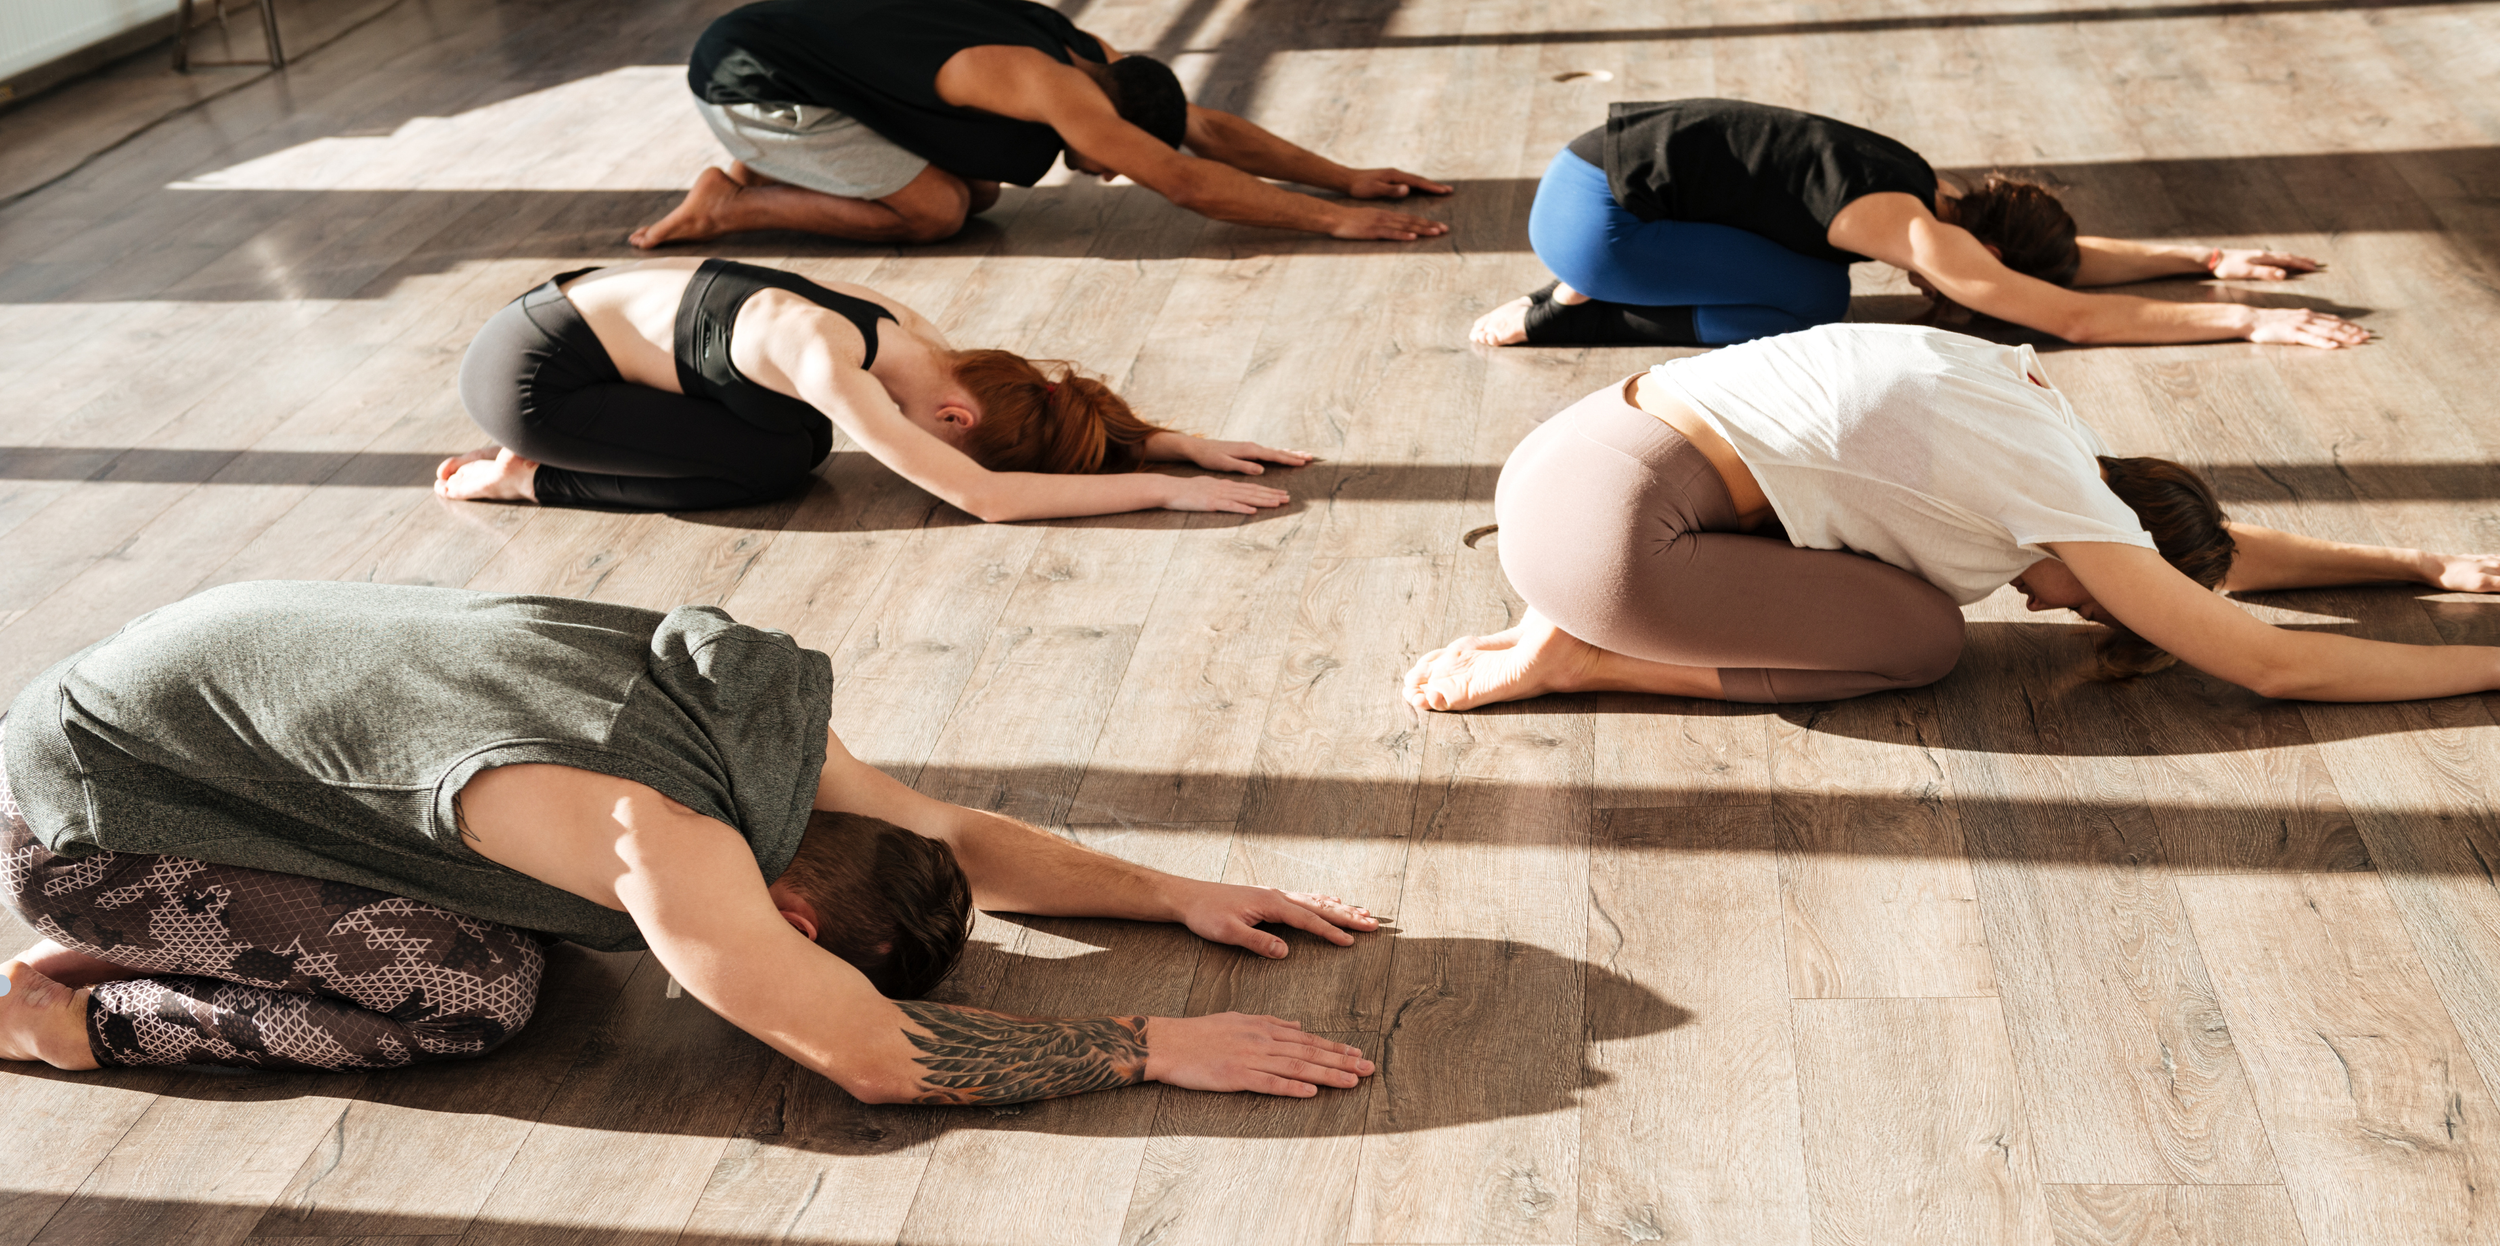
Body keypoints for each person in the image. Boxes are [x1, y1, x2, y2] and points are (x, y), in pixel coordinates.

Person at [1, 582, 1377, 1107]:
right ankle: (63, 1021)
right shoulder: (653, 833)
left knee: (530, 929)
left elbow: (948, 832)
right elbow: (870, 1053)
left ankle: (185, 917)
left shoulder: (755, 729)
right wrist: (1147, 1042)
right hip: (91, 803)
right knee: (479, 991)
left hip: (172, 689)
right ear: (798, 915)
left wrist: (1181, 893)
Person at [1405, 323, 2500, 713]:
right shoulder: (2061, 500)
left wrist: (2421, 564)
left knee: (1882, 574)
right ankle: (1586, 660)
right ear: (2124, 549)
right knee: (1924, 638)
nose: (2064, 612)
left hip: (1566, 460)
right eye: (2101, 606)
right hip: (1612, 539)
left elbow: (2202, 561)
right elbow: (2275, 666)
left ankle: (1571, 622)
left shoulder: (2036, 417)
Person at [1469, 98, 2367, 352]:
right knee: (1812, 302)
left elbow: (2043, 272)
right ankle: (1573, 310)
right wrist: (2248, 318)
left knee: (1814, 275)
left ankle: (1597, 282)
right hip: (1599, 225)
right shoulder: (1921, 233)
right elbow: (2072, 314)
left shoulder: (1923, 190)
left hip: (1585, 167)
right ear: (1984, 250)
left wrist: (2203, 257)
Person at [436, 257, 1309, 515]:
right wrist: (1161, 491)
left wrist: (1163, 440)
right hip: (530, 379)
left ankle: (565, 454)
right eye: (948, 440)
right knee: (773, 465)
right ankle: (530, 475)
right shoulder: (826, 359)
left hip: (572, 318)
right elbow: (985, 497)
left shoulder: (914, 343)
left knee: (796, 443)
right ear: (957, 414)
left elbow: (1044, 417)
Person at [628, 0, 1451, 249]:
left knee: (979, 192)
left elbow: (1201, 130)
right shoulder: (1051, 89)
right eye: (1113, 155)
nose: (1110, 170)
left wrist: (1341, 173)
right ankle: (732, 204)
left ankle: (772, 173)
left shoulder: (1092, 55)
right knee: (938, 211)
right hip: (749, 83)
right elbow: (1185, 179)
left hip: (804, 62)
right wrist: (1336, 219)